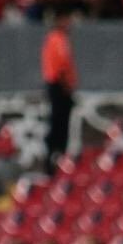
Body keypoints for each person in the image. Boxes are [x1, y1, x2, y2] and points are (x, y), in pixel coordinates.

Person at [41, 10, 77, 175]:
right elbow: (61, 65)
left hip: (58, 85)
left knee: (59, 123)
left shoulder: (56, 39)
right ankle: (54, 158)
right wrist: (66, 86)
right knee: (59, 123)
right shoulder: (57, 39)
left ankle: (55, 157)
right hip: (58, 85)